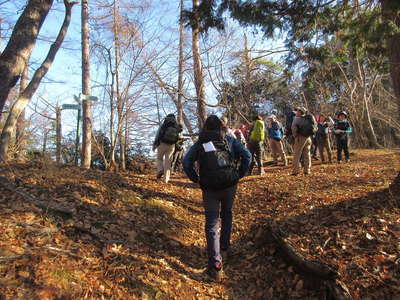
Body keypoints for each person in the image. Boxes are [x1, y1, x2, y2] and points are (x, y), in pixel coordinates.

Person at [183, 115, 251, 282]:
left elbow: (186, 162)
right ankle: (225, 248)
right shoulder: (228, 139)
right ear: (221, 126)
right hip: (229, 185)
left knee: (212, 223)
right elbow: (247, 156)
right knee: (227, 213)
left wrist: (195, 178)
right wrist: (239, 174)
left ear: (205, 127)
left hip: (210, 188)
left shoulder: (200, 143)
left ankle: (215, 265)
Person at [152, 114, 182, 183]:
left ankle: (160, 170)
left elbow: (158, 135)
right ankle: (166, 180)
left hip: (162, 144)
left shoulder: (163, 125)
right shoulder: (176, 126)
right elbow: (179, 138)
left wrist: (154, 145)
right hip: (171, 146)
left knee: (159, 158)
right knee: (168, 162)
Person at [291, 107, 317, 175]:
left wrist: (295, 136)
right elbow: (315, 126)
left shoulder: (296, 119)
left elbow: (293, 128)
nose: (296, 112)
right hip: (308, 138)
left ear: (300, 112)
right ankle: (307, 170)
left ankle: (295, 171)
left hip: (300, 138)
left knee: (297, 154)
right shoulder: (308, 119)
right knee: (307, 154)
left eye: (297, 111)